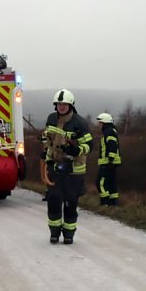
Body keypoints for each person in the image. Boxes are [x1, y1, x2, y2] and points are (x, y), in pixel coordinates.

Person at [43, 89, 92, 244]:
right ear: (55, 105)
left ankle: (69, 234)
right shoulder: (51, 119)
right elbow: (47, 139)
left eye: (65, 104)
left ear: (71, 105)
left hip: (74, 170)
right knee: (54, 200)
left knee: (71, 202)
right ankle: (54, 233)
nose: (62, 107)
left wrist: (77, 149)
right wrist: (45, 152)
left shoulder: (80, 123)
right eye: (59, 104)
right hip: (55, 167)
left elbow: (89, 145)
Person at [96, 112, 122, 206]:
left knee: (100, 182)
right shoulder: (110, 131)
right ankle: (113, 203)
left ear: (105, 123)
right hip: (111, 162)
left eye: (100, 123)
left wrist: (110, 160)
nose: (98, 125)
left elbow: (112, 146)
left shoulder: (109, 132)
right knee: (111, 182)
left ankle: (105, 202)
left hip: (108, 162)